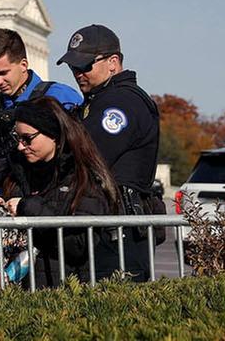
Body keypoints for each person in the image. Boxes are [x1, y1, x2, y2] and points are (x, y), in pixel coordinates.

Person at [60, 24, 161, 279]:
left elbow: (87, 156)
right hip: (106, 222)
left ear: (113, 62)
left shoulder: (121, 103)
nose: (78, 73)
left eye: (85, 66)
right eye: (74, 67)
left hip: (119, 226)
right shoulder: (98, 101)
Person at [0, 95, 121, 287]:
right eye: (17, 138)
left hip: (67, 292)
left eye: (27, 139)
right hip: (23, 293)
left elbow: (79, 244)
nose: (21, 146)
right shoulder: (19, 172)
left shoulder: (83, 179)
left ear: (53, 135)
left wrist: (27, 208)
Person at [0, 28, 83, 197]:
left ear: (23, 65)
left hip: (56, 199)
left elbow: (82, 154)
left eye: (3, 73)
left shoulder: (59, 95)